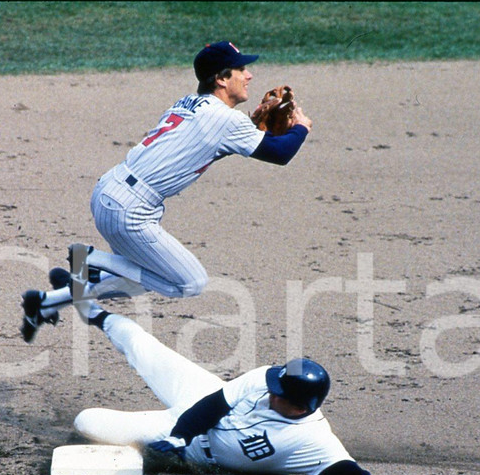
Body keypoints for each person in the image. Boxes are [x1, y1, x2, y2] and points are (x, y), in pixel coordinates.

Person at [21, 41, 313, 343]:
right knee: (190, 283)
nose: (249, 75)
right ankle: (90, 259)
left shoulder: (188, 103)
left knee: (142, 280)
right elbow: (281, 153)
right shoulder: (226, 120)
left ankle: (44, 302)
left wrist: (255, 128)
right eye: (241, 69)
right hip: (130, 210)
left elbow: (212, 144)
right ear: (222, 79)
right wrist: (301, 126)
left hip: (110, 192)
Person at [65, 295, 410, 475]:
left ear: (301, 406)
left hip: (198, 453)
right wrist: (181, 435)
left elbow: (347, 472)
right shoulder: (264, 378)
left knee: (86, 421)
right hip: (195, 407)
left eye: (279, 393)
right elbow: (214, 404)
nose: (270, 390)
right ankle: (92, 309)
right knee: (143, 346)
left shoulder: (313, 440)